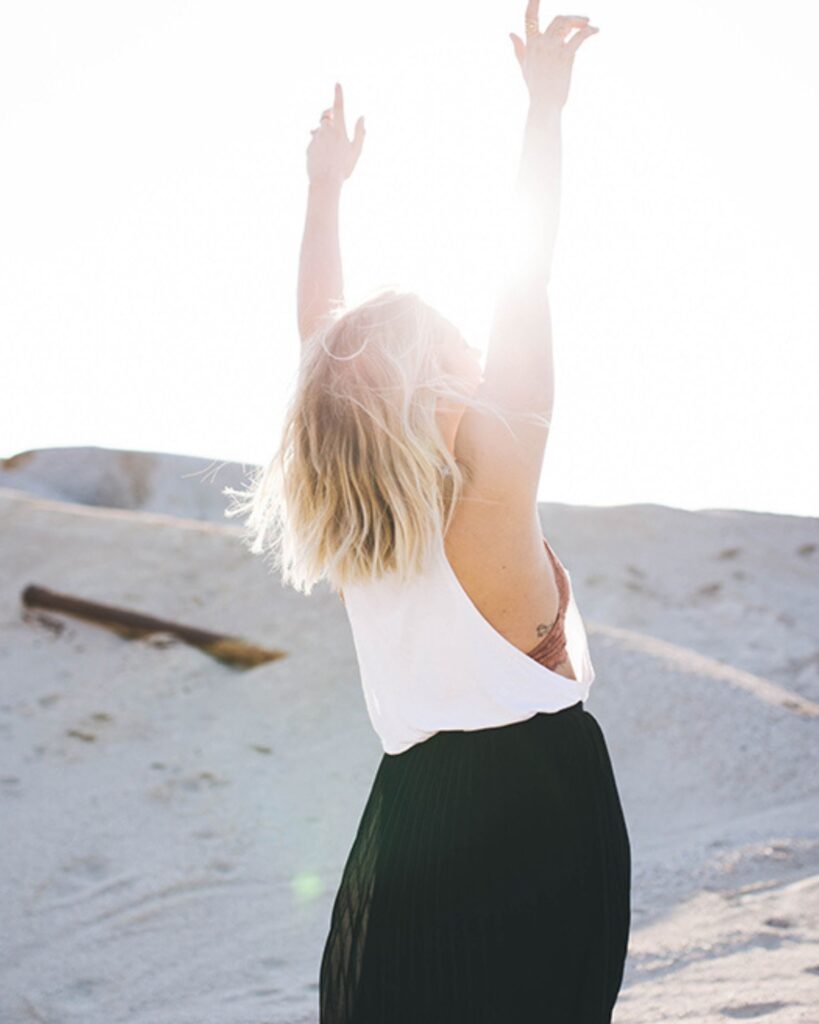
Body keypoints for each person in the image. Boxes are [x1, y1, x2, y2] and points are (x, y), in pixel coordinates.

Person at [226, 5, 630, 1021]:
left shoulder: (369, 529)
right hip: (539, 813)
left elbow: (320, 335)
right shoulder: (495, 470)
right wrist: (545, 112)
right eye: (457, 343)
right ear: (438, 374)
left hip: (407, 821)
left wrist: (324, 192)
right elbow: (525, 280)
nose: (476, 354)